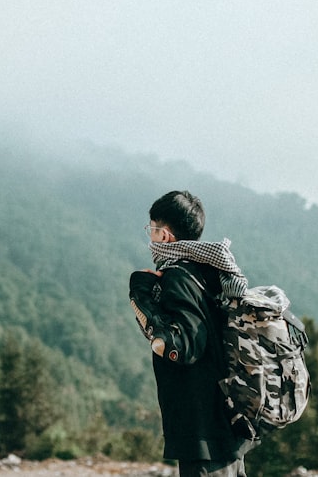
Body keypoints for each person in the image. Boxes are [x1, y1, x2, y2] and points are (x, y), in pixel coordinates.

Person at [129, 190, 254, 477]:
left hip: (202, 427)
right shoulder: (211, 274)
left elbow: (184, 346)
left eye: (152, 229)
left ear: (166, 234)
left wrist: (143, 298)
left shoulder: (177, 277)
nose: (150, 238)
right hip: (228, 420)